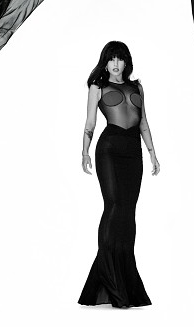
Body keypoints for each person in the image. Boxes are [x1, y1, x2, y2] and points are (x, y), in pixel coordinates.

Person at [78, 40, 160, 308]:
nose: (115, 64)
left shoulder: (137, 87)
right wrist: (84, 151)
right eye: (111, 59)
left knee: (128, 211)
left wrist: (152, 153)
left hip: (133, 151)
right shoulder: (97, 87)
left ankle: (123, 275)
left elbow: (144, 122)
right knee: (113, 206)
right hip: (109, 149)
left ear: (126, 62)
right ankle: (108, 272)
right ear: (105, 62)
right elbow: (90, 122)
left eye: (120, 58)